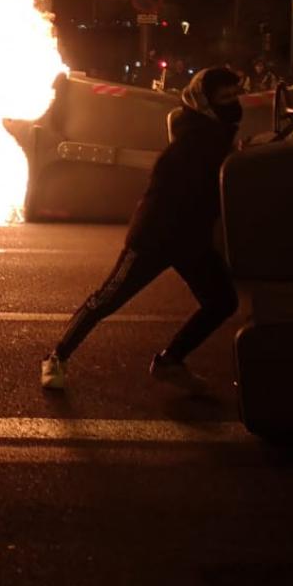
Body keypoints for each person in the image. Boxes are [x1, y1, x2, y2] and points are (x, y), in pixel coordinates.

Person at [41, 67, 243, 391]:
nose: (232, 102)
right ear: (205, 102)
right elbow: (214, 174)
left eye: (234, 95)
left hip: (191, 240)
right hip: (155, 237)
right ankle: (56, 356)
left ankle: (171, 361)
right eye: (224, 97)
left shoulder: (212, 132)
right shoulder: (198, 139)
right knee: (106, 299)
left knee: (222, 301)